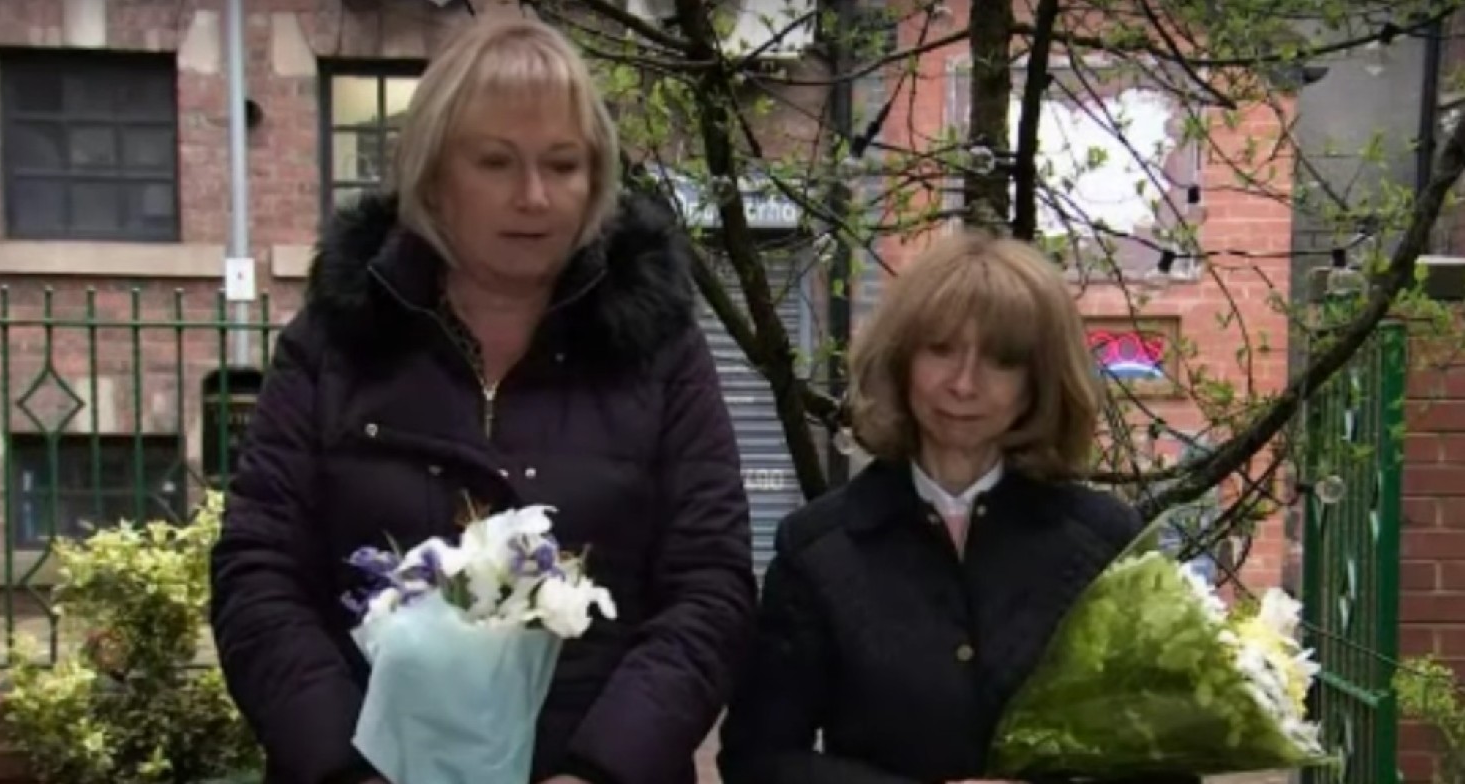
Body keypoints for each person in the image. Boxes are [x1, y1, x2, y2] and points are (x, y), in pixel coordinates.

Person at [209, 11, 756, 784]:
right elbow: (258, 574)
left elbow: (710, 585)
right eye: (496, 163)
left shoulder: (659, 348)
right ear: (433, 175)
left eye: (563, 165)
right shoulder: (333, 339)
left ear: (596, 177)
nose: (534, 197)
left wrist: (603, 771)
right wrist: (345, 765)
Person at [715, 232, 1200, 784]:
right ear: (901, 359)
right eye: (941, 350)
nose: (964, 385)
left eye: (1001, 360)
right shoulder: (819, 549)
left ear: (1038, 381)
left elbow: (1168, 765)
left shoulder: (1105, 543)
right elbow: (758, 760)